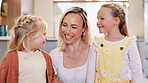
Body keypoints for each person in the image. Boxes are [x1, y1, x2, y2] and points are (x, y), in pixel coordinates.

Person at [87, 3, 143, 83]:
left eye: (102, 18)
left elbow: (136, 71)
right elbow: (91, 70)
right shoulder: (97, 43)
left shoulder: (129, 44)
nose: (98, 22)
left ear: (116, 21)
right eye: (97, 18)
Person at [0, 15, 57, 83]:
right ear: (29, 36)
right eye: (43, 34)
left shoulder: (46, 57)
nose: (46, 38)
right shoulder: (10, 58)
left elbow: (52, 77)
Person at [49, 7, 91, 83]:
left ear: (83, 29)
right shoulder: (55, 55)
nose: (67, 31)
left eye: (73, 27)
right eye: (64, 25)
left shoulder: (93, 52)